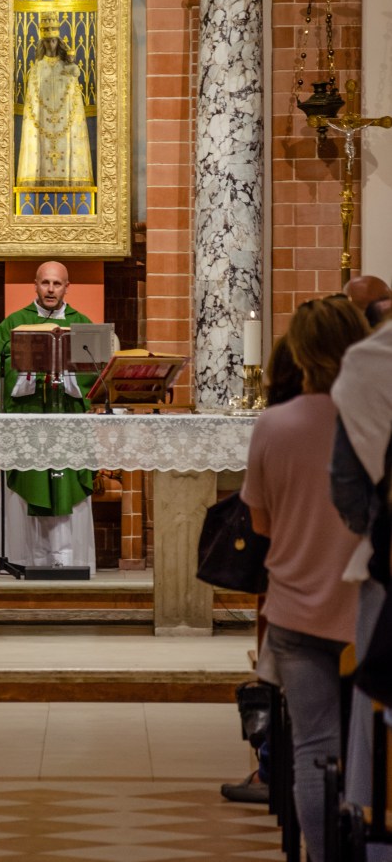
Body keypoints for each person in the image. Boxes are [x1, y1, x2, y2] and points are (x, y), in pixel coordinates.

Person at [240, 298, 369, 862]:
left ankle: (322, 857)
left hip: (296, 605)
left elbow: (260, 523)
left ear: (299, 351)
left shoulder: (275, 424)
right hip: (365, 607)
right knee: (373, 745)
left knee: (315, 748)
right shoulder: (373, 419)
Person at [220, 334, 304, 805]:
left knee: (303, 713)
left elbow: (259, 521)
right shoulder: (359, 416)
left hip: (295, 588)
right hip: (353, 590)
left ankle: (273, 773)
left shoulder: (275, 424)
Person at [330, 317, 392, 862]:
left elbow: (348, 487)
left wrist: (373, 528)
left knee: (379, 720)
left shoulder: (372, 361)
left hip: (388, 568)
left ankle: (374, 837)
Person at [0, 261, 96, 571]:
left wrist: (67, 373)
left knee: (66, 486)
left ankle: (69, 561)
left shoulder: (82, 323)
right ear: (35, 285)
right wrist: (32, 372)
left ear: (67, 287)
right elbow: (1, 366)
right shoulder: (14, 324)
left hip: (68, 423)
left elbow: (95, 372)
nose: (51, 289)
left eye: (57, 283)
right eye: (45, 283)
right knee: (31, 482)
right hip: (29, 420)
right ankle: (27, 560)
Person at [16, 13, 94, 190]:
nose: (50, 45)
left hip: (65, 124)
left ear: (58, 42)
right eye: (47, 41)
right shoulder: (36, 70)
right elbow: (31, 103)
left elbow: (74, 98)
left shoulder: (67, 68)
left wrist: (71, 70)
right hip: (42, 124)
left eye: (53, 41)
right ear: (42, 43)